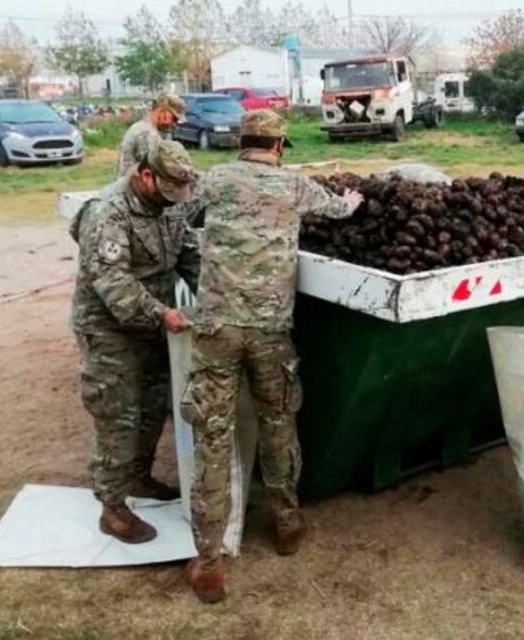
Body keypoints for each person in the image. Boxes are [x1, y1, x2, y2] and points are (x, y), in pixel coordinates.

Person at [180, 109, 363, 603]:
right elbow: (340, 209)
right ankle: (286, 525)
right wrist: (353, 197)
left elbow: (180, 214)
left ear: (241, 143)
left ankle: (210, 564)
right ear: (279, 147)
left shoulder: (214, 180)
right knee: (278, 424)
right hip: (271, 331)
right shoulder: (296, 188)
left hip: (216, 329)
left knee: (212, 439)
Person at [71, 140, 200, 543]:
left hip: (153, 323)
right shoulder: (107, 212)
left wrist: (213, 295)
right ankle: (112, 507)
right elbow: (113, 283)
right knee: (118, 412)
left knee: (152, 403)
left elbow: (189, 255)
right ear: (146, 176)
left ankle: (139, 476)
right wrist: (162, 313)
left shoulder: (172, 202)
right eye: (165, 193)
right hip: (109, 327)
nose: (172, 202)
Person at [115, 92, 186, 177]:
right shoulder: (147, 133)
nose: (174, 124)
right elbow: (152, 173)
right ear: (162, 111)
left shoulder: (144, 127)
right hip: (131, 188)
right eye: (174, 119)